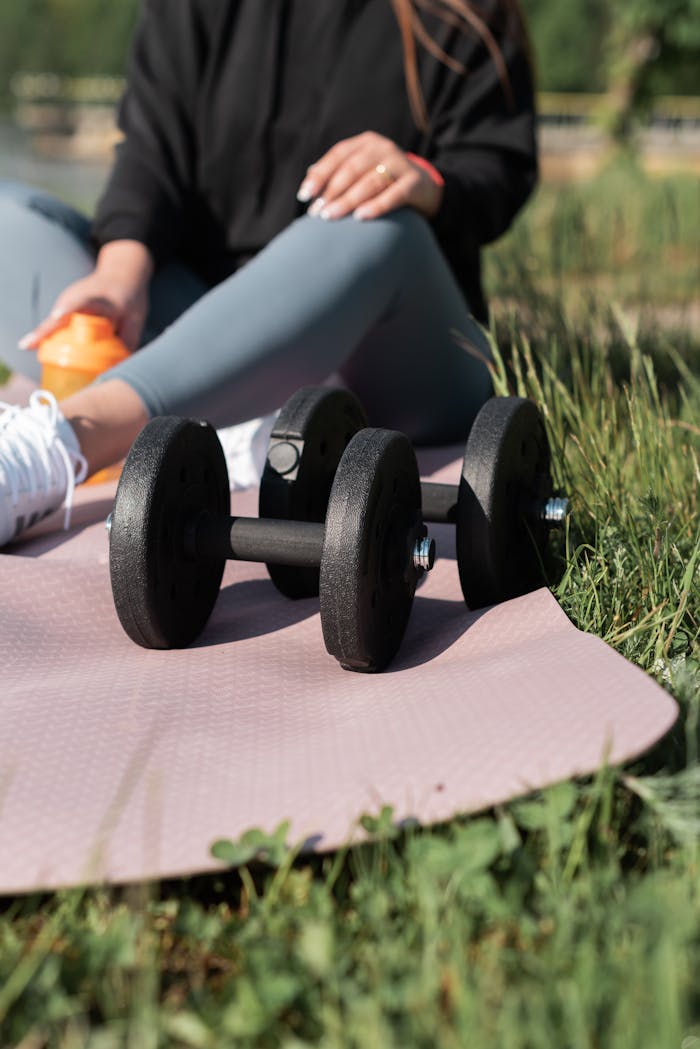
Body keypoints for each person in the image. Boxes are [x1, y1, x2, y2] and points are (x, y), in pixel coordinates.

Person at [0, 0, 537, 548]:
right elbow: (152, 150)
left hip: (387, 356)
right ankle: (236, 423)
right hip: (203, 325)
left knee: (371, 219)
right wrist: (119, 276)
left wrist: (422, 181)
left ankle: (59, 446)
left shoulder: (460, 13)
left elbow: (499, 168)